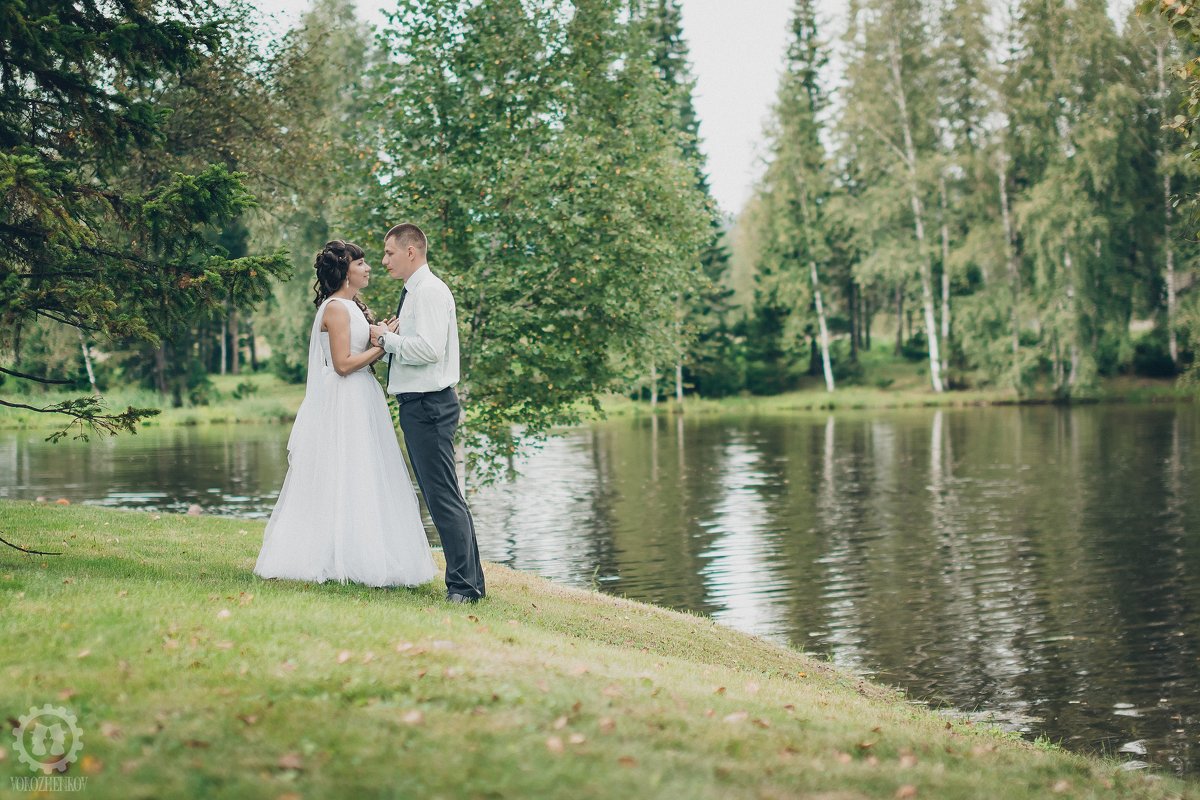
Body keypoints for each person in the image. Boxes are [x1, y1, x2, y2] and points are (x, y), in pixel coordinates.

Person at [254, 240, 438, 588]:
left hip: (361, 396)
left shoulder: (351, 306)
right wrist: (381, 345)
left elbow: (363, 355)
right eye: (361, 263)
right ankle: (337, 557)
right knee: (346, 473)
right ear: (344, 271)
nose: (369, 268)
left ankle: (363, 553)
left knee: (365, 473)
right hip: (345, 399)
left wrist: (384, 338)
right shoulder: (336, 308)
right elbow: (341, 366)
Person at [369, 223, 486, 604]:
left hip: (429, 405)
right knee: (444, 495)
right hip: (420, 405)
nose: (383, 260)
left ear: (411, 252)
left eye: (389, 252)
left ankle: (463, 588)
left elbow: (430, 349)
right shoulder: (415, 292)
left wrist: (385, 339)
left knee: (442, 497)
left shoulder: (430, 292)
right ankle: (472, 583)